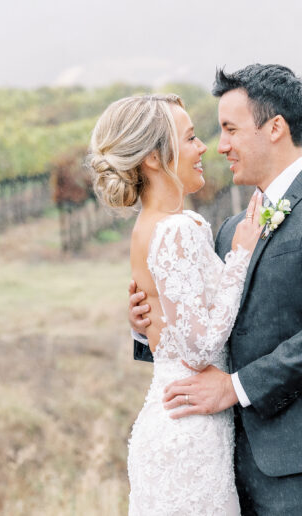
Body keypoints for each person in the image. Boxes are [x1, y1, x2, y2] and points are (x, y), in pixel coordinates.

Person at [129, 64, 302, 515]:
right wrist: (148, 322)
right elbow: (204, 330)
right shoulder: (226, 233)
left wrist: (237, 387)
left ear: (276, 128)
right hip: (220, 464)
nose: (219, 145)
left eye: (230, 129)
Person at [89, 93, 263, 515]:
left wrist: (141, 325)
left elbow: (167, 325)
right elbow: (200, 349)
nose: (204, 147)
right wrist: (240, 255)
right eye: (190, 138)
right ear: (153, 158)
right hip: (190, 430)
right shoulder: (177, 231)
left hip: (173, 421)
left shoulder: (146, 227)